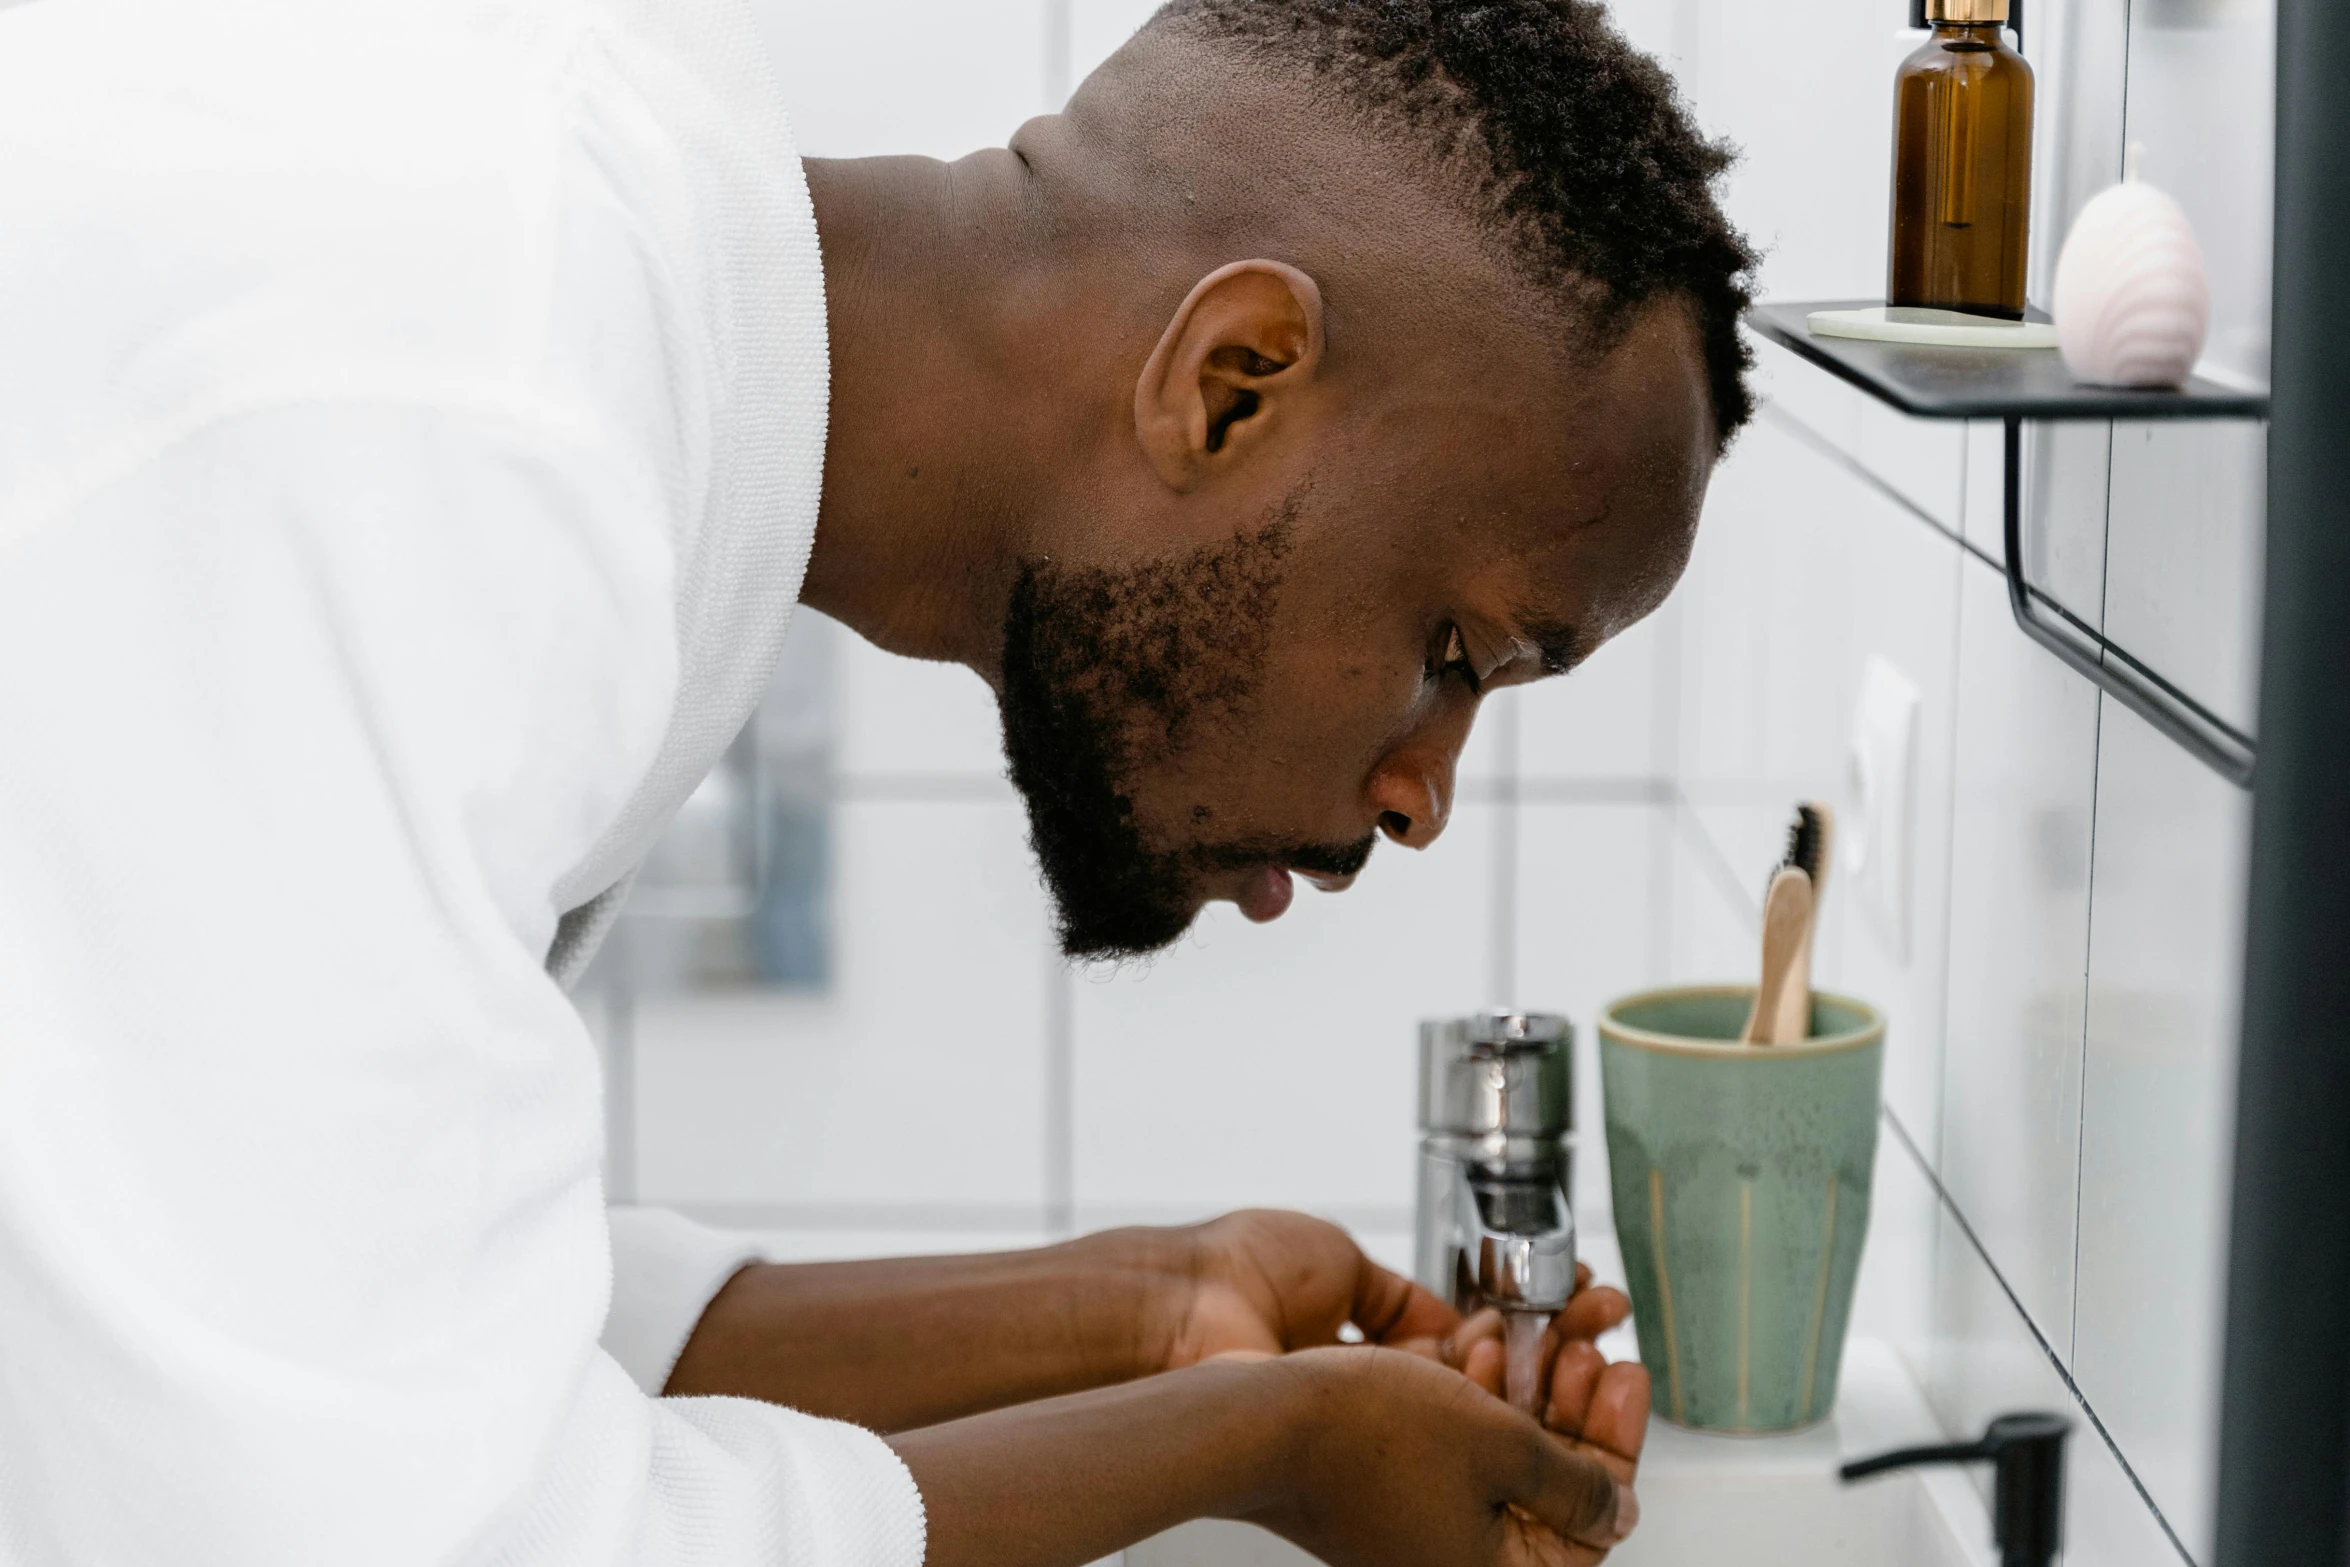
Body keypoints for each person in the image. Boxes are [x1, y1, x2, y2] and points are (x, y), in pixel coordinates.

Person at [0, 0, 1755, 1561]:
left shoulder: (575, 311)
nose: (1422, 795)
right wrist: (1259, 1444)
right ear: (1229, 388)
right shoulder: (454, 441)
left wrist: (1157, 1309)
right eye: (1454, 654)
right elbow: (407, 1526)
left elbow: (353, 1311)